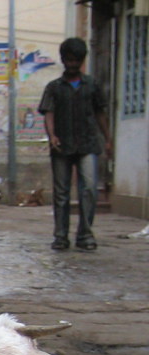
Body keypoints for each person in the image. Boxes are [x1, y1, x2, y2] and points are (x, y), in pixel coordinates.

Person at [38, 37, 112, 251]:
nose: (72, 64)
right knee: (61, 193)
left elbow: (100, 112)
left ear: (82, 60)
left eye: (76, 60)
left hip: (88, 143)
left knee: (88, 189)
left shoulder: (92, 85)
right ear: (63, 60)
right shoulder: (54, 87)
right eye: (68, 60)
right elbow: (48, 113)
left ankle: (85, 234)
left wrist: (107, 139)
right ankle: (61, 236)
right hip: (62, 145)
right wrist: (51, 135)